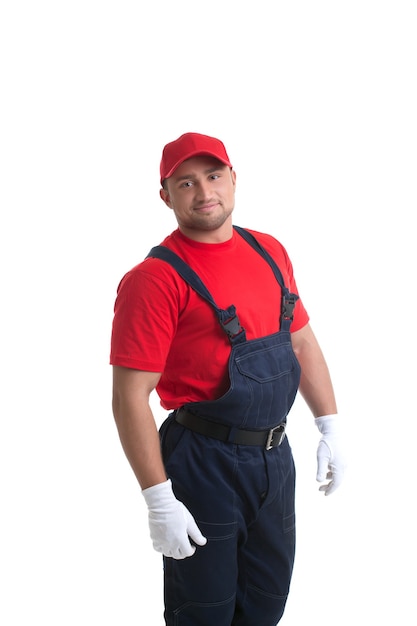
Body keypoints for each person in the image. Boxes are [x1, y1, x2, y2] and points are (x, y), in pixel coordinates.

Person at [110, 132, 346, 626]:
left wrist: (331, 427)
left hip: (274, 460)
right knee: (205, 612)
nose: (204, 192)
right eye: (186, 182)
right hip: (203, 464)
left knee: (266, 604)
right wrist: (159, 501)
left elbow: (301, 342)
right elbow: (131, 396)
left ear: (233, 179)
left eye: (214, 176)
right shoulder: (154, 279)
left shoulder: (270, 251)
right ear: (165, 195)